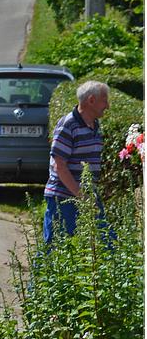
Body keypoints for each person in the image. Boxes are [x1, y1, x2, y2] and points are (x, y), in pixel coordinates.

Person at [43, 80, 109, 244]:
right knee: (54, 247)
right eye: (104, 100)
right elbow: (60, 166)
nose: (107, 106)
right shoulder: (68, 125)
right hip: (63, 198)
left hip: (87, 195)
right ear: (91, 100)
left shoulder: (94, 124)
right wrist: (81, 196)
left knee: (107, 240)